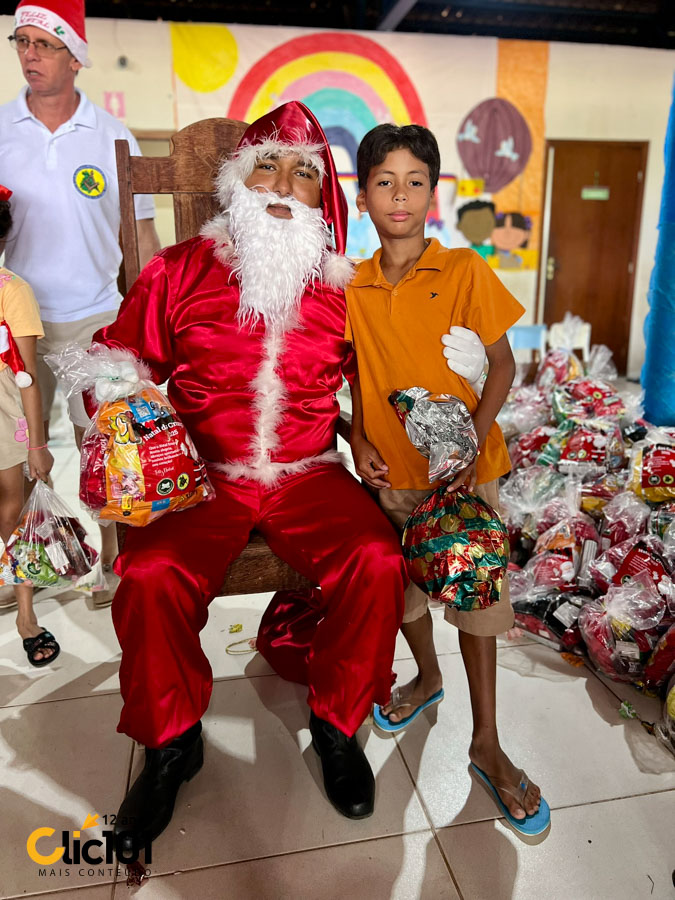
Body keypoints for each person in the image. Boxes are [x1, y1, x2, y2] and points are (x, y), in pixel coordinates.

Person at [79, 102, 407, 851]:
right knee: (150, 574)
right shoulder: (178, 270)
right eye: (268, 166)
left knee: (378, 560)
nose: (284, 185)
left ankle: (336, 723)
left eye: (303, 173)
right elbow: (121, 359)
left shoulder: (345, 289)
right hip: (203, 474)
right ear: (238, 183)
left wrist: (378, 431)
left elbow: (378, 378)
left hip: (308, 470)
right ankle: (171, 742)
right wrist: (127, 413)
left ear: (322, 197)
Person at [346, 123, 550, 834]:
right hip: (392, 478)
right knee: (402, 591)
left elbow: (504, 363)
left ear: (434, 192)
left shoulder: (463, 269)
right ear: (362, 195)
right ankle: (427, 677)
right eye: (383, 182)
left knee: (475, 605)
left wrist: (472, 442)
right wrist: (357, 437)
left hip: (464, 480)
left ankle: (486, 742)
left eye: (414, 181)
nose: (399, 195)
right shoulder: (351, 286)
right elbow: (352, 377)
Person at [0, 0, 161, 609]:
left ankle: (114, 565)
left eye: (43, 44)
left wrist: (151, 314)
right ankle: (22, 570)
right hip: (15, 323)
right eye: (21, 41)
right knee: (15, 447)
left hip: (96, 317)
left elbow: (140, 236)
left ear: (75, 58)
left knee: (105, 445)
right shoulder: (0, 128)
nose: (29, 54)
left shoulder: (112, 135)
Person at [0, 185, 59, 666]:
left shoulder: (12, 291)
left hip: (3, 418)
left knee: (12, 514)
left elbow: (27, 375)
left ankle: (25, 615)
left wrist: (38, 445)